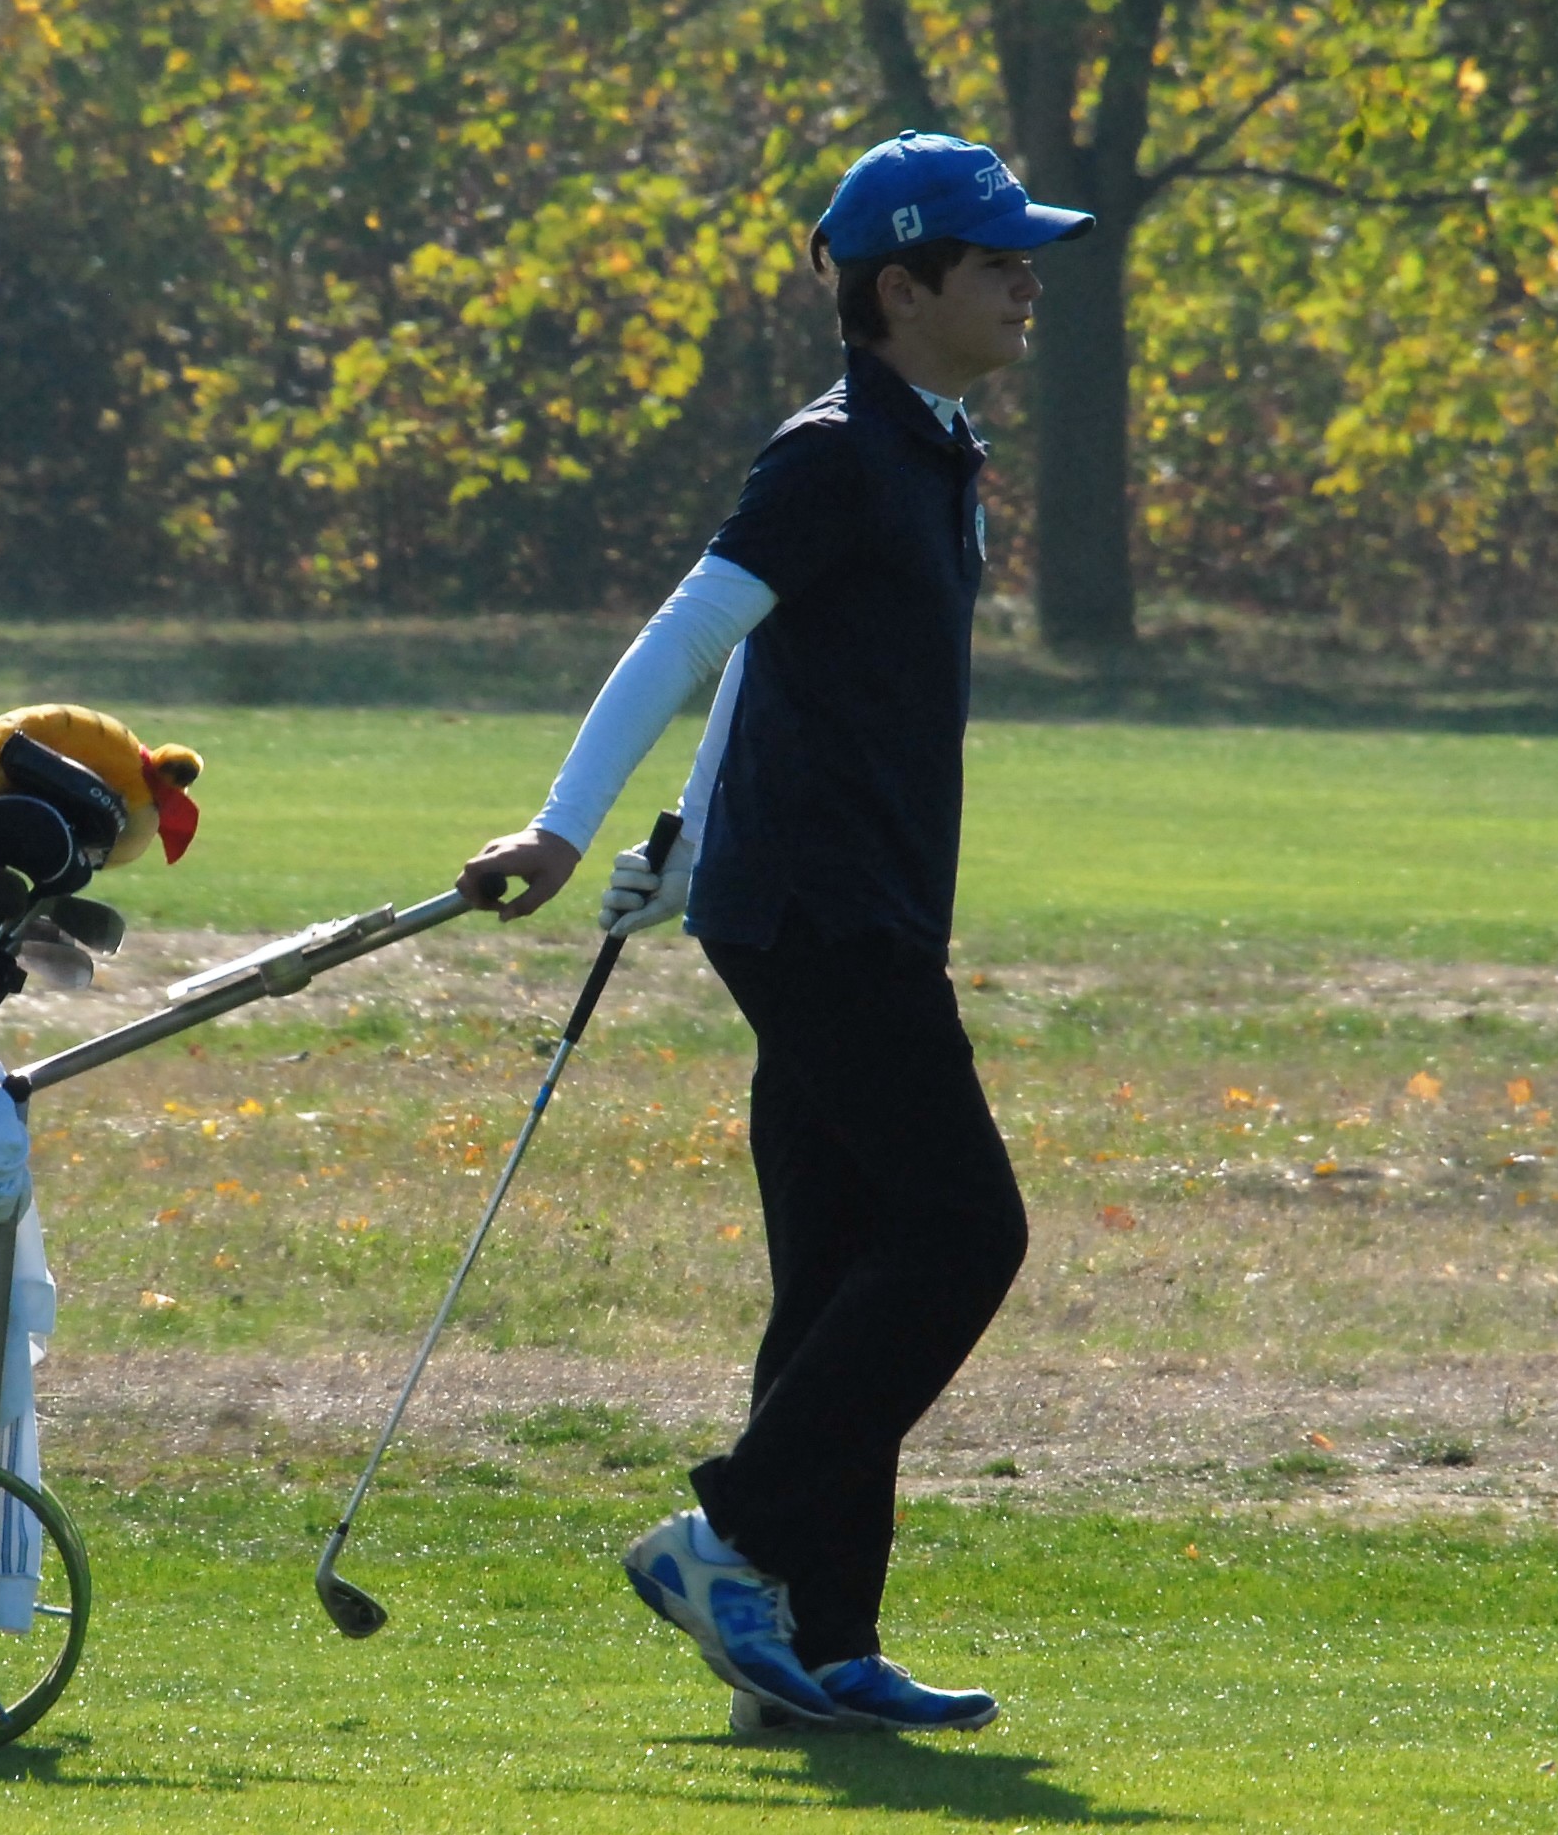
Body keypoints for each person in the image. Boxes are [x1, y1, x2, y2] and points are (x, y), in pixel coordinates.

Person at [457, 130, 1087, 1736]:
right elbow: (690, 637)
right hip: (821, 913)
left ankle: (812, 1647)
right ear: (904, 287)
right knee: (964, 1231)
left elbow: (764, 663)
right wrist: (565, 827)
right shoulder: (833, 452)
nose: (1028, 283)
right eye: (996, 259)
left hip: (839, 898)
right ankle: (730, 1538)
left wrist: (682, 840)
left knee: (839, 1270)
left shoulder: (932, 448)